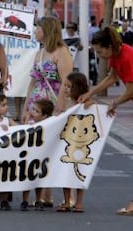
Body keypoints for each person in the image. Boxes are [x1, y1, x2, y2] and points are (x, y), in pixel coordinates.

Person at [76, 26, 133, 215]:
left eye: (100, 51)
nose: (99, 55)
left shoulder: (127, 56)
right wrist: (90, 92)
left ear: (108, 47)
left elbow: (131, 90)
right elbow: (112, 78)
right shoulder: (116, 56)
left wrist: (114, 102)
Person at [23, 16, 73, 206]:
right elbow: (33, 81)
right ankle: (45, 193)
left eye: (38, 28)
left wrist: (60, 105)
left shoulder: (62, 52)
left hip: (53, 103)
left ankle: (66, 196)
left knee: (55, 148)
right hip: (37, 104)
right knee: (39, 148)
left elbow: (66, 81)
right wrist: (27, 106)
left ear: (47, 30)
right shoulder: (40, 53)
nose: (35, 31)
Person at [57, 72, 93, 213]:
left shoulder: (83, 102)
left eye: (68, 86)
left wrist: (87, 104)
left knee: (80, 171)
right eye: (65, 86)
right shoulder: (66, 102)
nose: (65, 89)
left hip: (80, 143)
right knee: (64, 171)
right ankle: (67, 201)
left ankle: (79, 201)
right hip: (67, 142)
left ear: (78, 88)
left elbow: (93, 106)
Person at [21, 99, 54, 211]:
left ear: (44, 116)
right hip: (29, 156)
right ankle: (24, 200)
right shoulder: (30, 124)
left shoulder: (48, 126)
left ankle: (39, 199)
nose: (33, 112)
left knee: (39, 179)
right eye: (33, 109)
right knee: (27, 179)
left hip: (41, 157)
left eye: (36, 111)